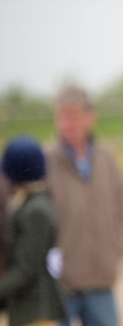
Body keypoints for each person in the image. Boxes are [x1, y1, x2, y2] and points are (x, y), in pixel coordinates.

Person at [45, 85, 123, 326]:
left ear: (91, 118)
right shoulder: (46, 160)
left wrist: (117, 245)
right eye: (62, 115)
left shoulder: (107, 159)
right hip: (60, 283)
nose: (67, 122)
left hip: (101, 278)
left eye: (74, 115)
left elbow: (122, 206)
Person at [0, 136, 66, 326]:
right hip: (26, 308)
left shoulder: (35, 211)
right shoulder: (27, 204)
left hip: (36, 310)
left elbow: (26, 268)